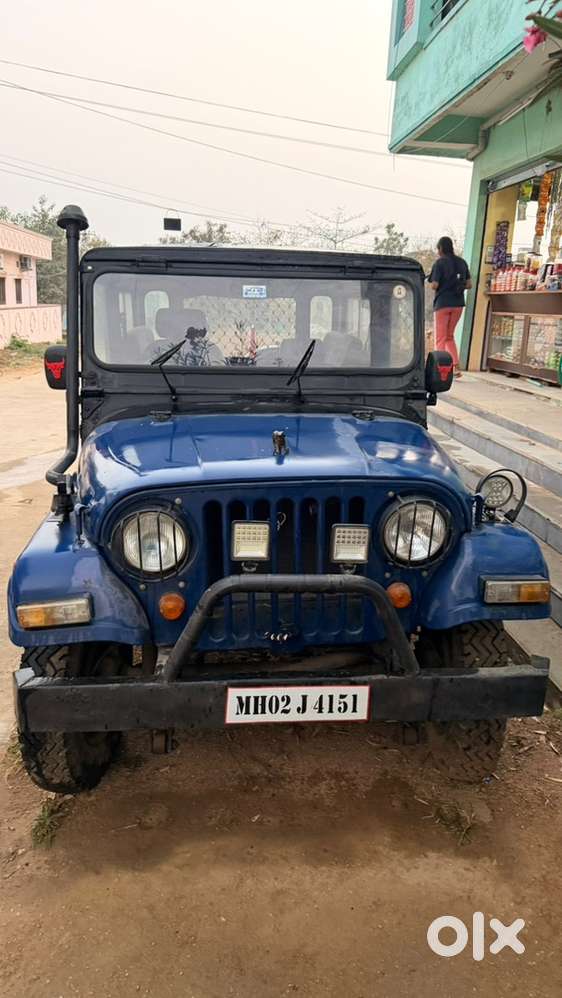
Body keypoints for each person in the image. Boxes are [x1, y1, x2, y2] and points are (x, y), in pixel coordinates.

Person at [428, 236, 472, 378]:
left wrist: (435, 285)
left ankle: (440, 368)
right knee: (449, 336)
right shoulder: (462, 263)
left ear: (440, 248)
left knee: (440, 338)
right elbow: (469, 284)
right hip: (458, 304)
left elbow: (434, 285)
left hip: (442, 304)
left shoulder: (439, 263)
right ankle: (456, 367)